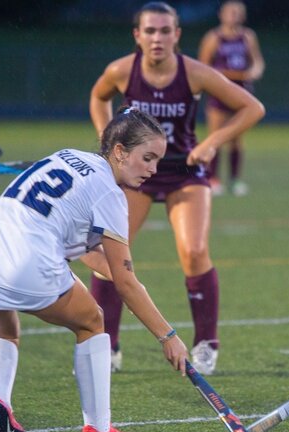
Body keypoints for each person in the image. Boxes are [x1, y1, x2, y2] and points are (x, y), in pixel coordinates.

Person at [0, 107, 188, 432]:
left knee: (1, 331)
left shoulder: (67, 156)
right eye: (148, 158)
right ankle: (99, 431)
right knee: (92, 320)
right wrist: (168, 337)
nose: (154, 169)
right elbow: (124, 283)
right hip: (28, 258)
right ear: (120, 151)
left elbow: (93, 258)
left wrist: (127, 278)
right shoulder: (111, 194)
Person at [88, 1, 265, 376]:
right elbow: (98, 96)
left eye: (165, 31)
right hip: (136, 175)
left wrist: (213, 141)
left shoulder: (195, 73)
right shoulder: (122, 70)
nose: (157, 38)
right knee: (110, 257)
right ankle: (107, 344)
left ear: (177, 35)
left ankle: (206, 343)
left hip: (184, 170)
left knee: (195, 251)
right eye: (150, 31)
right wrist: (107, 140)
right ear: (137, 35)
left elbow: (252, 107)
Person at [198, 0, 265, 196]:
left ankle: (235, 180)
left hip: (242, 94)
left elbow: (257, 61)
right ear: (222, 15)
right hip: (220, 93)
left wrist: (254, 71)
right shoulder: (214, 37)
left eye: (237, 12)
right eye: (230, 12)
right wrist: (227, 75)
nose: (234, 16)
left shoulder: (248, 36)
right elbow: (203, 66)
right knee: (216, 136)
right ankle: (212, 178)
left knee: (236, 138)